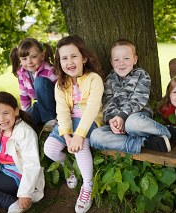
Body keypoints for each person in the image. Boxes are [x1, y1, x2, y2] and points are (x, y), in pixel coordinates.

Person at [43, 35, 104, 213]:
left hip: (89, 121)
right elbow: (62, 112)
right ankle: (69, 167)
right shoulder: (60, 85)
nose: (69, 61)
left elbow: (92, 109)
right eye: (64, 58)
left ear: (84, 58)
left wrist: (78, 136)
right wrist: (67, 136)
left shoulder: (94, 79)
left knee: (81, 145)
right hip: (69, 123)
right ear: (59, 62)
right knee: (50, 149)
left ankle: (87, 185)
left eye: (74, 56)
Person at [90, 39, 172, 155]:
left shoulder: (141, 75)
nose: (121, 63)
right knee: (95, 136)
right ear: (111, 62)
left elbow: (138, 100)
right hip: (118, 121)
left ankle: (168, 131)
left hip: (137, 116)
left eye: (126, 58)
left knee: (132, 124)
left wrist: (123, 116)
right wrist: (112, 120)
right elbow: (107, 102)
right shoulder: (109, 79)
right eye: (116, 59)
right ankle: (144, 142)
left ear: (135, 59)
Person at [10, 38, 57, 132]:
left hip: (56, 105)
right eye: (24, 59)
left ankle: (50, 121)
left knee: (39, 82)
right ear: (20, 60)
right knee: (21, 121)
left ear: (42, 55)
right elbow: (24, 96)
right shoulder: (22, 74)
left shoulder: (49, 71)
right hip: (41, 106)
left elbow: (63, 89)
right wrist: (25, 113)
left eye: (33, 57)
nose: (29, 62)